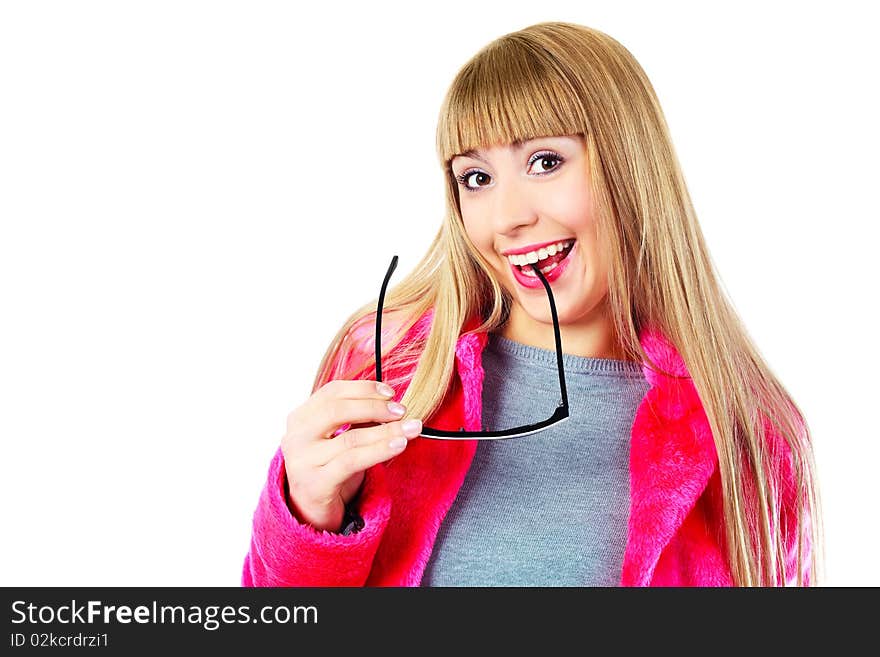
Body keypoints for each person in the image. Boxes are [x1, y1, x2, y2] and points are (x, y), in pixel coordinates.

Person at [241, 21, 821, 587]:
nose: (507, 217)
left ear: (631, 168)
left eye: (545, 162)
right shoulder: (394, 374)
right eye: (475, 178)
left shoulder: (749, 436)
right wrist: (306, 523)